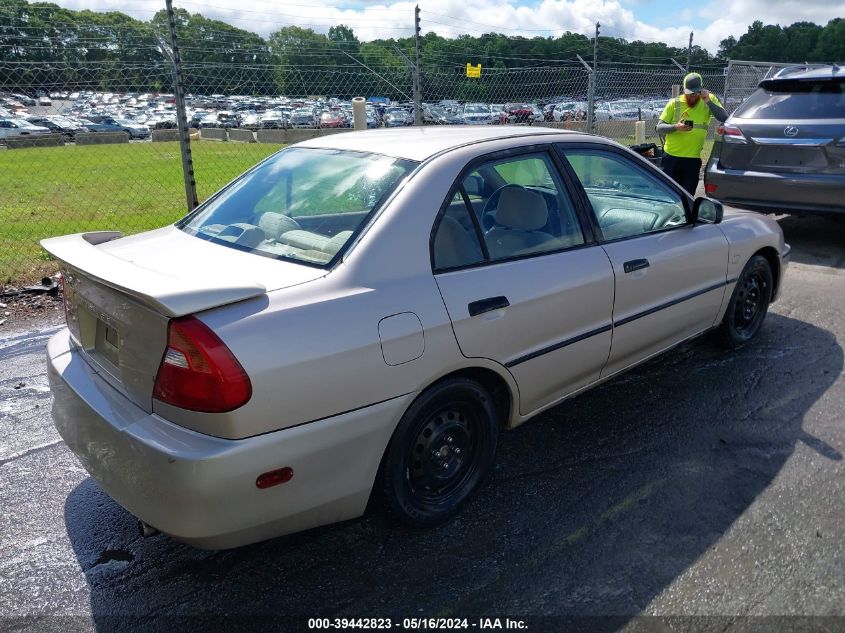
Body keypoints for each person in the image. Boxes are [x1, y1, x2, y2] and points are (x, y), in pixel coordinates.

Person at [656, 72, 728, 196]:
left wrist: (708, 101)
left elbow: (724, 118)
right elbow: (659, 128)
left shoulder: (709, 100)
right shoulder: (674, 103)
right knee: (668, 196)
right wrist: (676, 127)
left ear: (701, 89)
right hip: (671, 159)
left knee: (688, 196)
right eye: (690, 94)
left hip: (692, 160)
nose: (693, 96)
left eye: (696, 93)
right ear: (684, 91)